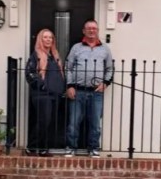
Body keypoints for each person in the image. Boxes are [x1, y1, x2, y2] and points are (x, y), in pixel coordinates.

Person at [64, 19, 113, 158]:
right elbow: (68, 67)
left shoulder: (105, 49)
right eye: (89, 28)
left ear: (97, 31)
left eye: (94, 28)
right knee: (73, 122)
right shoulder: (76, 48)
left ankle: (93, 148)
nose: (92, 30)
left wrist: (105, 83)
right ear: (84, 31)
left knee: (95, 123)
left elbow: (110, 69)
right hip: (77, 90)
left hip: (96, 92)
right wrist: (70, 86)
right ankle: (71, 147)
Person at [25, 29, 65, 156]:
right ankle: (31, 147)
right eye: (45, 37)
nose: (48, 40)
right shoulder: (36, 55)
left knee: (50, 123)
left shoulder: (55, 55)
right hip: (42, 95)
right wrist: (42, 86)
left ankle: (43, 148)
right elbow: (29, 74)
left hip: (55, 95)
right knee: (43, 120)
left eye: (50, 38)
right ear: (40, 40)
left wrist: (61, 88)